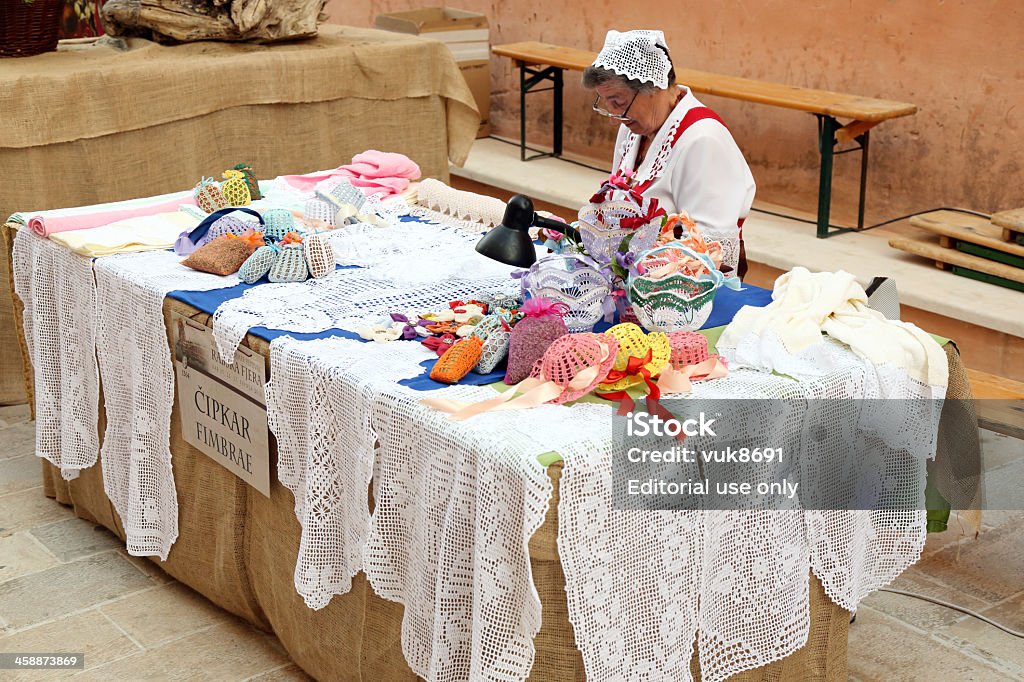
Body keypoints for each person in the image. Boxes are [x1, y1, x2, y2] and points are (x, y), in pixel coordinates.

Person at [583, 30, 756, 278]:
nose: (614, 117)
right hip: (637, 278)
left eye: (618, 102)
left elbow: (708, 251)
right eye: (605, 103)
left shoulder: (703, 140)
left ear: (653, 88)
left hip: (688, 291)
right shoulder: (632, 128)